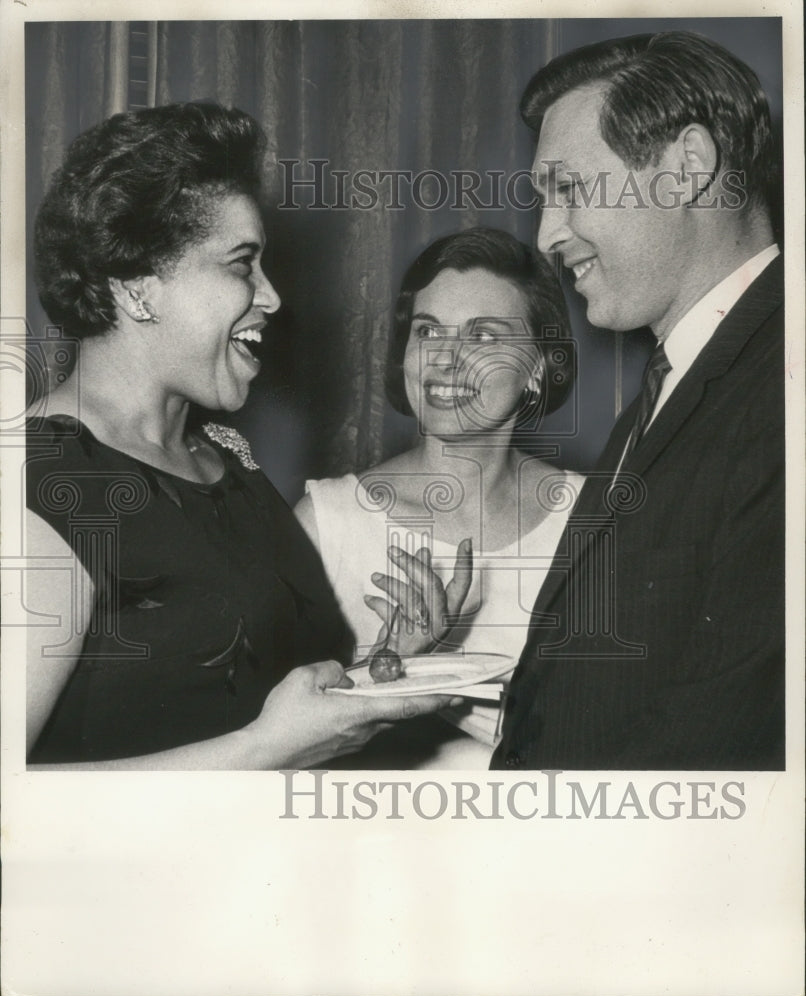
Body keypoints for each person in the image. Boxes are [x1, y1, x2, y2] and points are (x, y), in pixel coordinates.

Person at [25, 101, 471, 769]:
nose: (272, 297)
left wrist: (388, 665)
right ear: (138, 287)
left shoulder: (221, 458)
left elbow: (256, 698)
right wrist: (263, 752)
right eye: (241, 265)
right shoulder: (34, 488)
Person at [492, 30, 785, 770]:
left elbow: (721, 729)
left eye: (569, 189)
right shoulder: (679, 377)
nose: (548, 235)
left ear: (686, 167)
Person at [296, 228, 582, 767]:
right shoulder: (329, 523)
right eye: (428, 331)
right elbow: (278, 743)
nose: (446, 359)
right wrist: (391, 663)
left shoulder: (593, 516)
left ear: (539, 367)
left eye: (483, 337)